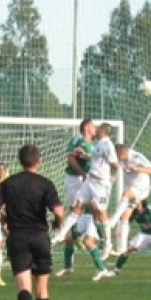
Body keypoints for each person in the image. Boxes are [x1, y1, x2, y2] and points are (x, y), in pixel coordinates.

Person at [0, 144, 65, 300]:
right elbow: (58, 210)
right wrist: (58, 221)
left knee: (23, 287)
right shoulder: (45, 184)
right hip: (40, 237)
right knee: (42, 290)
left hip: (17, 237)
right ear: (38, 161)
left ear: (20, 161)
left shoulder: (8, 183)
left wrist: (5, 218)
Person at [51, 122, 118, 260]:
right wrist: (84, 154)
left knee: (102, 214)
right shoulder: (98, 144)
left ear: (103, 131)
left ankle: (108, 243)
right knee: (77, 207)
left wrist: (111, 178)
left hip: (100, 184)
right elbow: (94, 159)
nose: (96, 129)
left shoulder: (108, 145)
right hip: (89, 181)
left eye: (98, 128)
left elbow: (115, 164)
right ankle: (62, 234)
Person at [55, 118, 96, 277]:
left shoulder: (95, 144)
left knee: (95, 208)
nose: (95, 128)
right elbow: (71, 159)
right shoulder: (77, 140)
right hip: (75, 179)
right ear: (86, 127)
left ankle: (83, 235)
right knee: (76, 210)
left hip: (89, 180)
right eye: (93, 126)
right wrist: (82, 174)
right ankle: (73, 243)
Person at [107, 144, 151, 255]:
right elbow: (114, 169)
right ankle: (122, 249)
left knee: (126, 194)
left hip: (141, 187)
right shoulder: (119, 159)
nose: (117, 159)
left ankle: (112, 222)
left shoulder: (137, 157)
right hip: (131, 188)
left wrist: (137, 168)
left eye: (118, 156)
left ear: (123, 153)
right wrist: (110, 179)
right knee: (125, 217)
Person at [61, 212, 116, 281]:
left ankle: (102, 269)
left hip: (92, 217)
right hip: (81, 215)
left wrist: (98, 227)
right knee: (69, 238)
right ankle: (68, 267)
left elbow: (98, 207)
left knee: (88, 242)